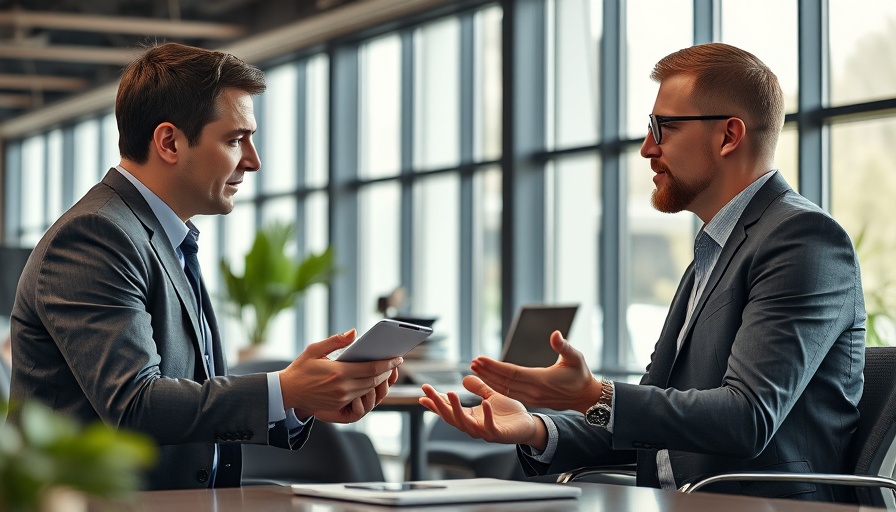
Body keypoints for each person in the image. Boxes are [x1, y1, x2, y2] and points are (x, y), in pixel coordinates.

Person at [420, 42, 865, 503]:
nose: (647, 148)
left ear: (729, 136)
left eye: (664, 127)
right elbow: (649, 422)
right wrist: (536, 427)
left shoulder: (804, 239)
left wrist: (596, 394)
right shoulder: (712, 253)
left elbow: (747, 417)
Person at [9, 42, 403, 490]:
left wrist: (299, 403)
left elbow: (190, 393)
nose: (253, 162)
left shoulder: (160, 237)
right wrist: (285, 389)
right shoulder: (96, 236)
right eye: (236, 140)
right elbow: (135, 405)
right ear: (170, 141)